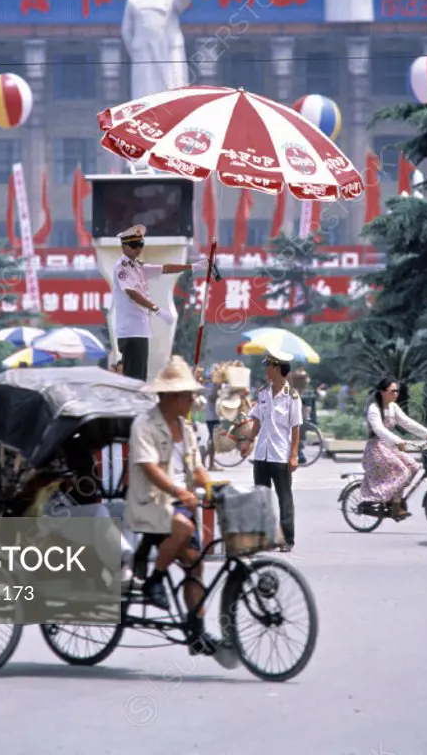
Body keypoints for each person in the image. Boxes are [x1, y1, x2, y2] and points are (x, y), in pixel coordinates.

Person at [125, 356, 233, 662]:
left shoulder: (186, 428)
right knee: (184, 529)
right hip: (150, 503)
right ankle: (155, 580)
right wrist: (179, 491)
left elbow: (196, 467)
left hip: (180, 505)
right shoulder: (144, 425)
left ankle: (195, 632)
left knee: (195, 566)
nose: (192, 400)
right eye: (187, 395)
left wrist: (209, 486)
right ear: (170, 396)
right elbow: (148, 467)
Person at [111, 224, 207, 381]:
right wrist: (157, 309)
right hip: (130, 330)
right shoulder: (122, 268)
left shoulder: (137, 266)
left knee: (140, 377)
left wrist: (191, 267)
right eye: (134, 245)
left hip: (140, 329)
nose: (138, 249)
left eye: (140, 245)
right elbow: (132, 294)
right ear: (124, 246)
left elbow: (164, 268)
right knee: (134, 379)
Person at [239, 347, 302, 551]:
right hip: (262, 455)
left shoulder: (292, 397)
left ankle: (288, 539)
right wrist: (248, 441)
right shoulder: (263, 392)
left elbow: (295, 428)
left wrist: (293, 456)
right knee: (261, 498)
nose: (265, 369)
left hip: (280, 456)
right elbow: (256, 420)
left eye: (268, 365)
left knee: (285, 498)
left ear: (276, 367)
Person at [361, 377, 427, 520]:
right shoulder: (374, 408)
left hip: (389, 446)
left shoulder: (393, 407)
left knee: (413, 466)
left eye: (397, 391)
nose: (396, 394)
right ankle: (395, 507)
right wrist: (397, 440)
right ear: (383, 392)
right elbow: (379, 429)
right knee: (402, 471)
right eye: (392, 391)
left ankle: (394, 500)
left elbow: (407, 423)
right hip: (376, 448)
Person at [120, 0, 196, 98]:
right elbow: (127, 30)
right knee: (145, 93)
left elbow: (184, 0)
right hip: (145, 52)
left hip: (168, 49)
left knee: (172, 91)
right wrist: (136, 51)